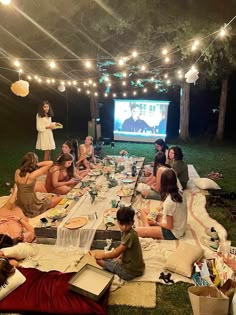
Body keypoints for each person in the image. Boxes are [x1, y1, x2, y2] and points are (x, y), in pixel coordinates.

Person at [94, 206, 145, 280]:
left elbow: (116, 253)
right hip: (137, 267)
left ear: (132, 222)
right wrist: (117, 258)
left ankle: (117, 271)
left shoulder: (130, 235)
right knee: (109, 259)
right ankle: (116, 265)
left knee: (99, 260)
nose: (124, 227)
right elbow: (123, 251)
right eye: (122, 224)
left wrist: (101, 255)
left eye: (127, 224)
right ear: (118, 222)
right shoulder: (130, 232)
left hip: (130, 272)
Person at [135, 169, 187, 240]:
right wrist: (154, 212)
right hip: (176, 225)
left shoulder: (170, 202)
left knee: (136, 231)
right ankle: (149, 228)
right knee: (143, 211)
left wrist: (155, 223)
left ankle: (148, 229)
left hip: (173, 232)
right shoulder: (180, 192)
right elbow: (164, 209)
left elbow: (169, 226)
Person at [15, 152, 62, 218]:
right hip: (31, 203)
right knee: (60, 198)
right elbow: (50, 163)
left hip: (20, 201)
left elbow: (17, 185)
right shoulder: (32, 175)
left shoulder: (17, 172)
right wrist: (35, 164)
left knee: (48, 197)